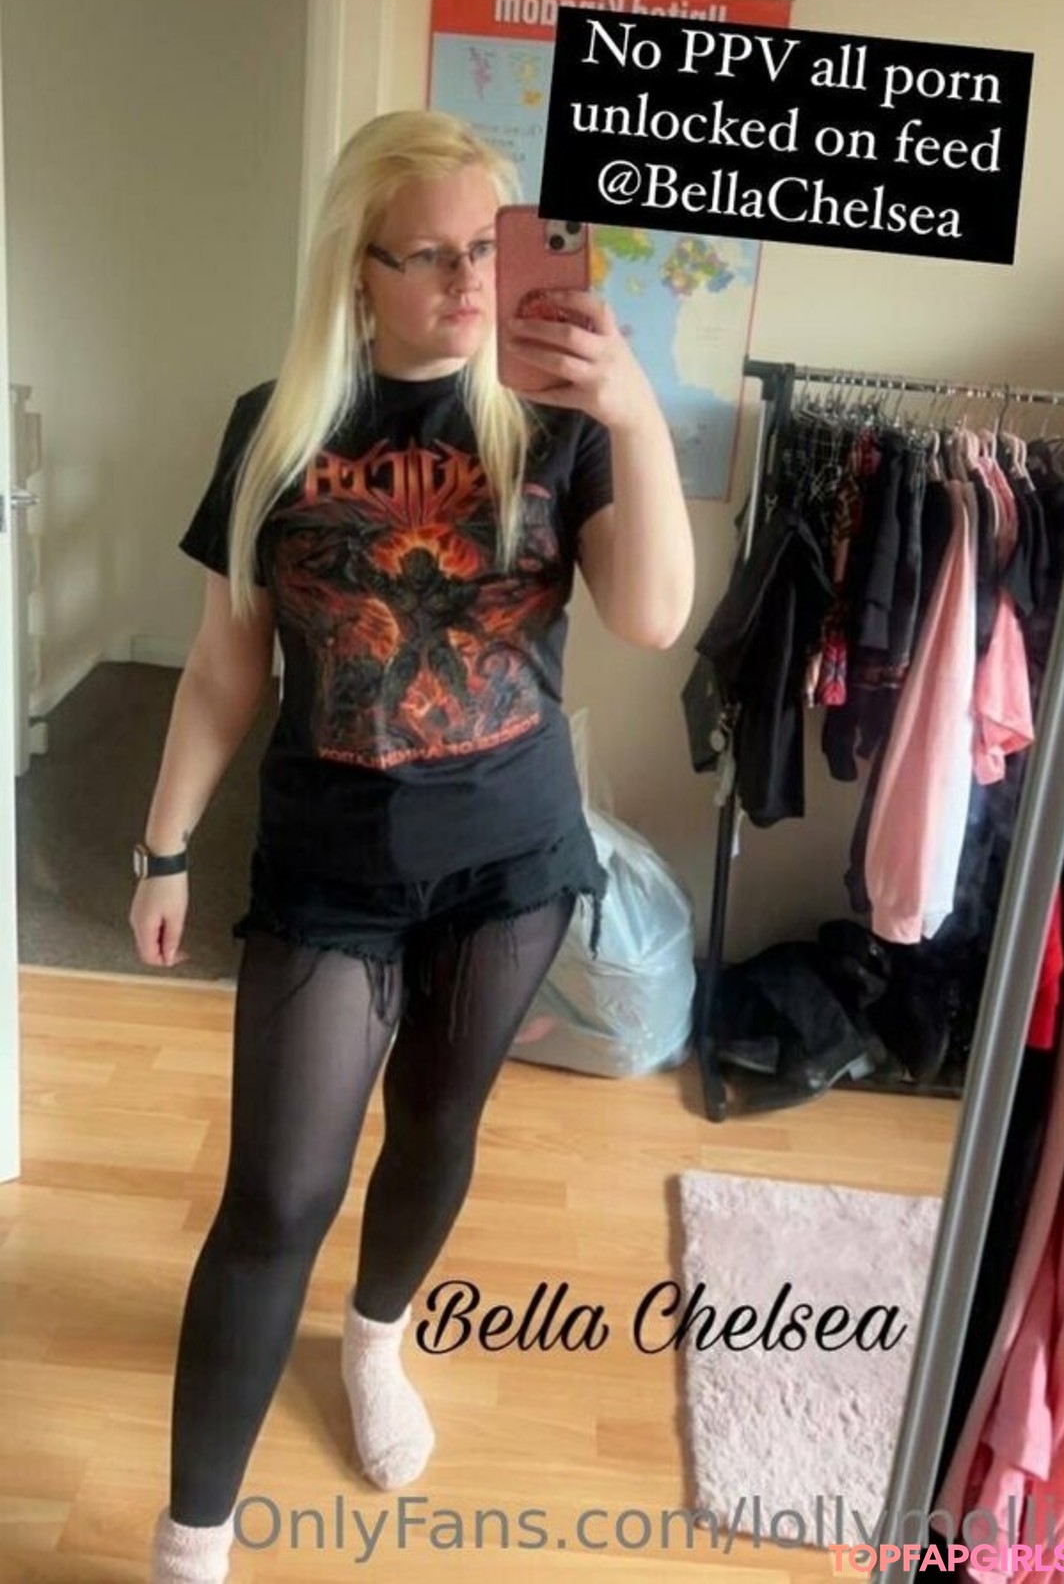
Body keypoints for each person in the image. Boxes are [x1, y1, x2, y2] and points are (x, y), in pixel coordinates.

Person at [131, 110, 695, 1583]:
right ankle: (191, 1544)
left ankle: (375, 1340)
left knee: (438, 1131)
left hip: (509, 863)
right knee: (276, 1196)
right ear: (360, 270)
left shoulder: (560, 422)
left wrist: (634, 411)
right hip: (326, 867)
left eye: (488, 247)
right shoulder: (274, 427)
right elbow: (225, 666)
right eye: (431, 255)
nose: (468, 280)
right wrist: (163, 845)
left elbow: (651, 616)